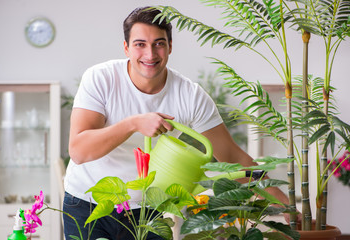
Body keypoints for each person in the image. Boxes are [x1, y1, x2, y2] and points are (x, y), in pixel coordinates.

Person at [63, 6, 290, 240]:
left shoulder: (190, 95)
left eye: (158, 43)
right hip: (87, 203)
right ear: (126, 48)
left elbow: (233, 158)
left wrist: (285, 204)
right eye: (140, 44)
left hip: (150, 209)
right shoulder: (101, 79)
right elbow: (79, 151)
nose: (150, 54)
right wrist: (133, 123)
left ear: (170, 46)